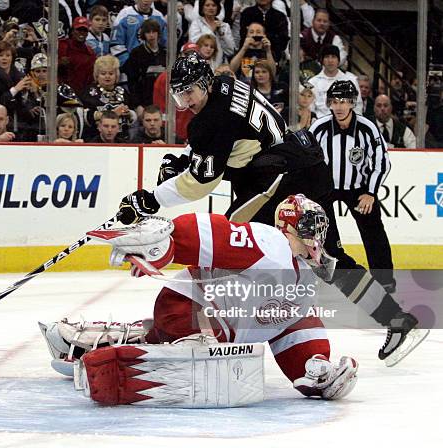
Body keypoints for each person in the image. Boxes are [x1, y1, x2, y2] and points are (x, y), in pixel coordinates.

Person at [117, 54, 427, 365]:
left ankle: (214, 335)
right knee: (325, 258)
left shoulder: (213, 118)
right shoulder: (224, 85)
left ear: (203, 85)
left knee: (227, 245)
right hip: (300, 167)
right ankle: (395, 318)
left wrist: (149, 199)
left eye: (188, 93)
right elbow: (214, 139)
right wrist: (185, 158)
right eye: (178, 95)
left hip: (280, 179)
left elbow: (199, 182)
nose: (184, 102)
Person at [42, 196, 361, 403]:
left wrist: (315, 367)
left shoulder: (301, 280)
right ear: (287, 229)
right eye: (309, 228)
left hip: (209, 324)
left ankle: (84, 342)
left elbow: (294, 329)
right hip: (187, 306)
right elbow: (215, 233)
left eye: (320, 229)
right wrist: (168, 243)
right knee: (213, 334)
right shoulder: (271, 245)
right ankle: (154, 356)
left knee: (193, 335)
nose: (316, 238)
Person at [309, 81, 399, 305]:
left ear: (353, 103)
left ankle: (384, 280)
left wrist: (370, 192)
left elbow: (381, 163)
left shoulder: (367, 128)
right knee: (324, 234)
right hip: (326, 188)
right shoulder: (319, 128)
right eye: (335, 101)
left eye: (344, 101)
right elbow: (305, 159)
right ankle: (335, 273)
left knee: (373, 230)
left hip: (358, 189)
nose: (339, 106)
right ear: (329, 103)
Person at [81, 55, 137, 141]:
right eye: (103, 73)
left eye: (111, 73)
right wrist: (113, 114)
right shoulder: (89, 92)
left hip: (122, 139)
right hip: (95, 139)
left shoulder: (123, 91)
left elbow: (133, 114)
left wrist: (128, 113)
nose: (107, 76)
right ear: (97, 75)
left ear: (116, 75)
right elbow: (85, 117)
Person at [307, 45, 362, 118]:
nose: (330, 60)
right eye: (327, 57)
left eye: (333, 57)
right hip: (320, 123)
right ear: (322, 60)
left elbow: (357, 106)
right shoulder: (312, 82)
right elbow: (309, 109)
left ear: (338, 60)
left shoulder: (351, 80)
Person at [124, 19, 166, 112]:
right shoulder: (136, 53)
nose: (151, 35)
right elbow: (132, 81)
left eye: (154, 32)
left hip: (162, 99)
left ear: (158, 33)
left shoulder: (165, 52)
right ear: (143, 34)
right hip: (144, 100)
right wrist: (137, 104)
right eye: (148, 32)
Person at [110, 0, 168, 68]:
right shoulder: (124, 14)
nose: (145, 1)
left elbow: (165, 43)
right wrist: (129, 64)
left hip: (155, 68)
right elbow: (116, 44)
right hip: (130, 69)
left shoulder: (159, 17)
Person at [188, 0, 235, 69]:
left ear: (218, 8)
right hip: (199, 66)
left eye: (214, 5)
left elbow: (230, 51)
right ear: (202, 8)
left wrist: (222, 34)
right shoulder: (196, 24)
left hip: (220, 67)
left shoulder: (224, 26)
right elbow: (194, 44)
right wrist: (211, 30)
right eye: (207, 5)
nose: (211, 8)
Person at [58, 17, 97, 95]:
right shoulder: (62, 46)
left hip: (82, 94)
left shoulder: (90, 53)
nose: (81, 33)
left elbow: (91, 78)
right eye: (79, 30)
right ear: (72, 31)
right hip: (61, 92)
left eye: (85, 30)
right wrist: (59, 63)